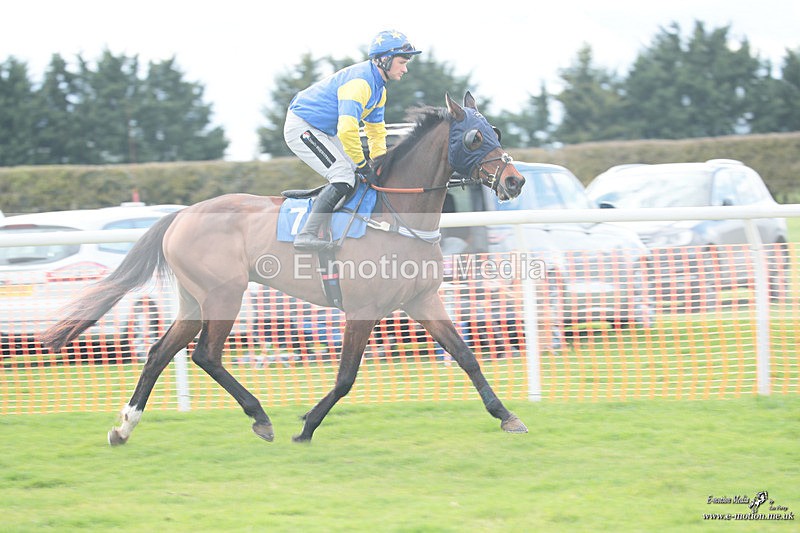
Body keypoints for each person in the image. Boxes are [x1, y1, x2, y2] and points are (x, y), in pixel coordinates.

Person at [284, 30, 421, 250]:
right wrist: (362, 164)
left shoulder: (379, 91)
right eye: (402, 62)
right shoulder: (361, 84)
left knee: (356, 175)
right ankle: (307, 234)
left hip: (323, 130)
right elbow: (347, 130)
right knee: (344, 174)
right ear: (385, 60)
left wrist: (378, 165)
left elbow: (376, 133)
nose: (405, 69)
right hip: (303, 126)